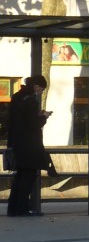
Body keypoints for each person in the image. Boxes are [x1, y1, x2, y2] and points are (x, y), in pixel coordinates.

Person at [6, 75, 52, 217]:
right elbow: (33, 125)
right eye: (41, 89)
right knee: (27, 178)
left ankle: (13, 209)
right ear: (36, 86)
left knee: (19, 178)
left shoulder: (17, 97)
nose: (40, 92)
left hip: (17, 144)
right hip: (29, 146)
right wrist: (43, 116)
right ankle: (22, 209)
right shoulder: (30, 101)